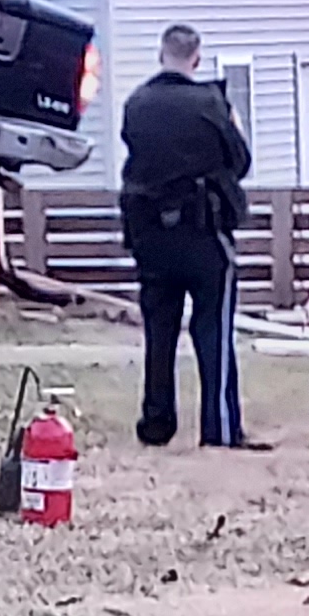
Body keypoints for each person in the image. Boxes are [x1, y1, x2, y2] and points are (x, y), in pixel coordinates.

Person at [117, 24, 257, 449]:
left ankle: (157, 422)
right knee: (213, 330)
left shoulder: (136, 104)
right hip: (202, 233)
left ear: (162, 55)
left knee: (159, 333)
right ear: (196, 59)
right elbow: (240, 160)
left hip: (150, 236)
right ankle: (219, 428)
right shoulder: (210, 103)